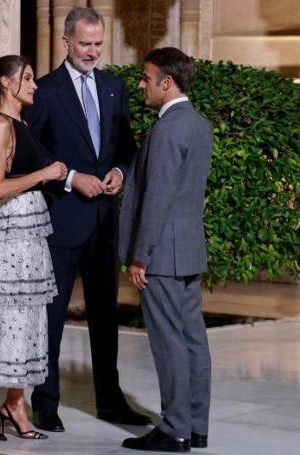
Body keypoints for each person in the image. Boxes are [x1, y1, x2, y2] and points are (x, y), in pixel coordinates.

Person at [23, 7, 150, 432]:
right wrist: (72, 178)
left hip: (103, 221)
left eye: (98, 44)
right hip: (61, 220)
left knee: (104, 316)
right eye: (85, 44)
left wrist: (118, 171)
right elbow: (33, 155)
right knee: (52, 315)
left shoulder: (115, 87)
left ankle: (110, 402)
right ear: (66, 42)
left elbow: (126, 147)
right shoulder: (44, 90)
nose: (93, 52)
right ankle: (45, 403)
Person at [0, 55, 68, 442]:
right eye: (27, 78)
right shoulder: (0, 124)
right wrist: (44, 173)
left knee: (26, 319)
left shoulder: (22, 123)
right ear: (6, 84)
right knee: (1, 317)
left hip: (31, 229)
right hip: (11, 233)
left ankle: (16, 402)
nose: (35, 84)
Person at [119, 47, 213, 453]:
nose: (141, 84)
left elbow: (156, 197)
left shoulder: (168, 128)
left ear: (166, 82)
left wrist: (141, 255)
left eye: (146, 77)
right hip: (189, 251)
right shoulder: (198, 124)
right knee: (193, 340)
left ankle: (174, 430)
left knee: (170, 342)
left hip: (163, 256)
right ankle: (195, 426)